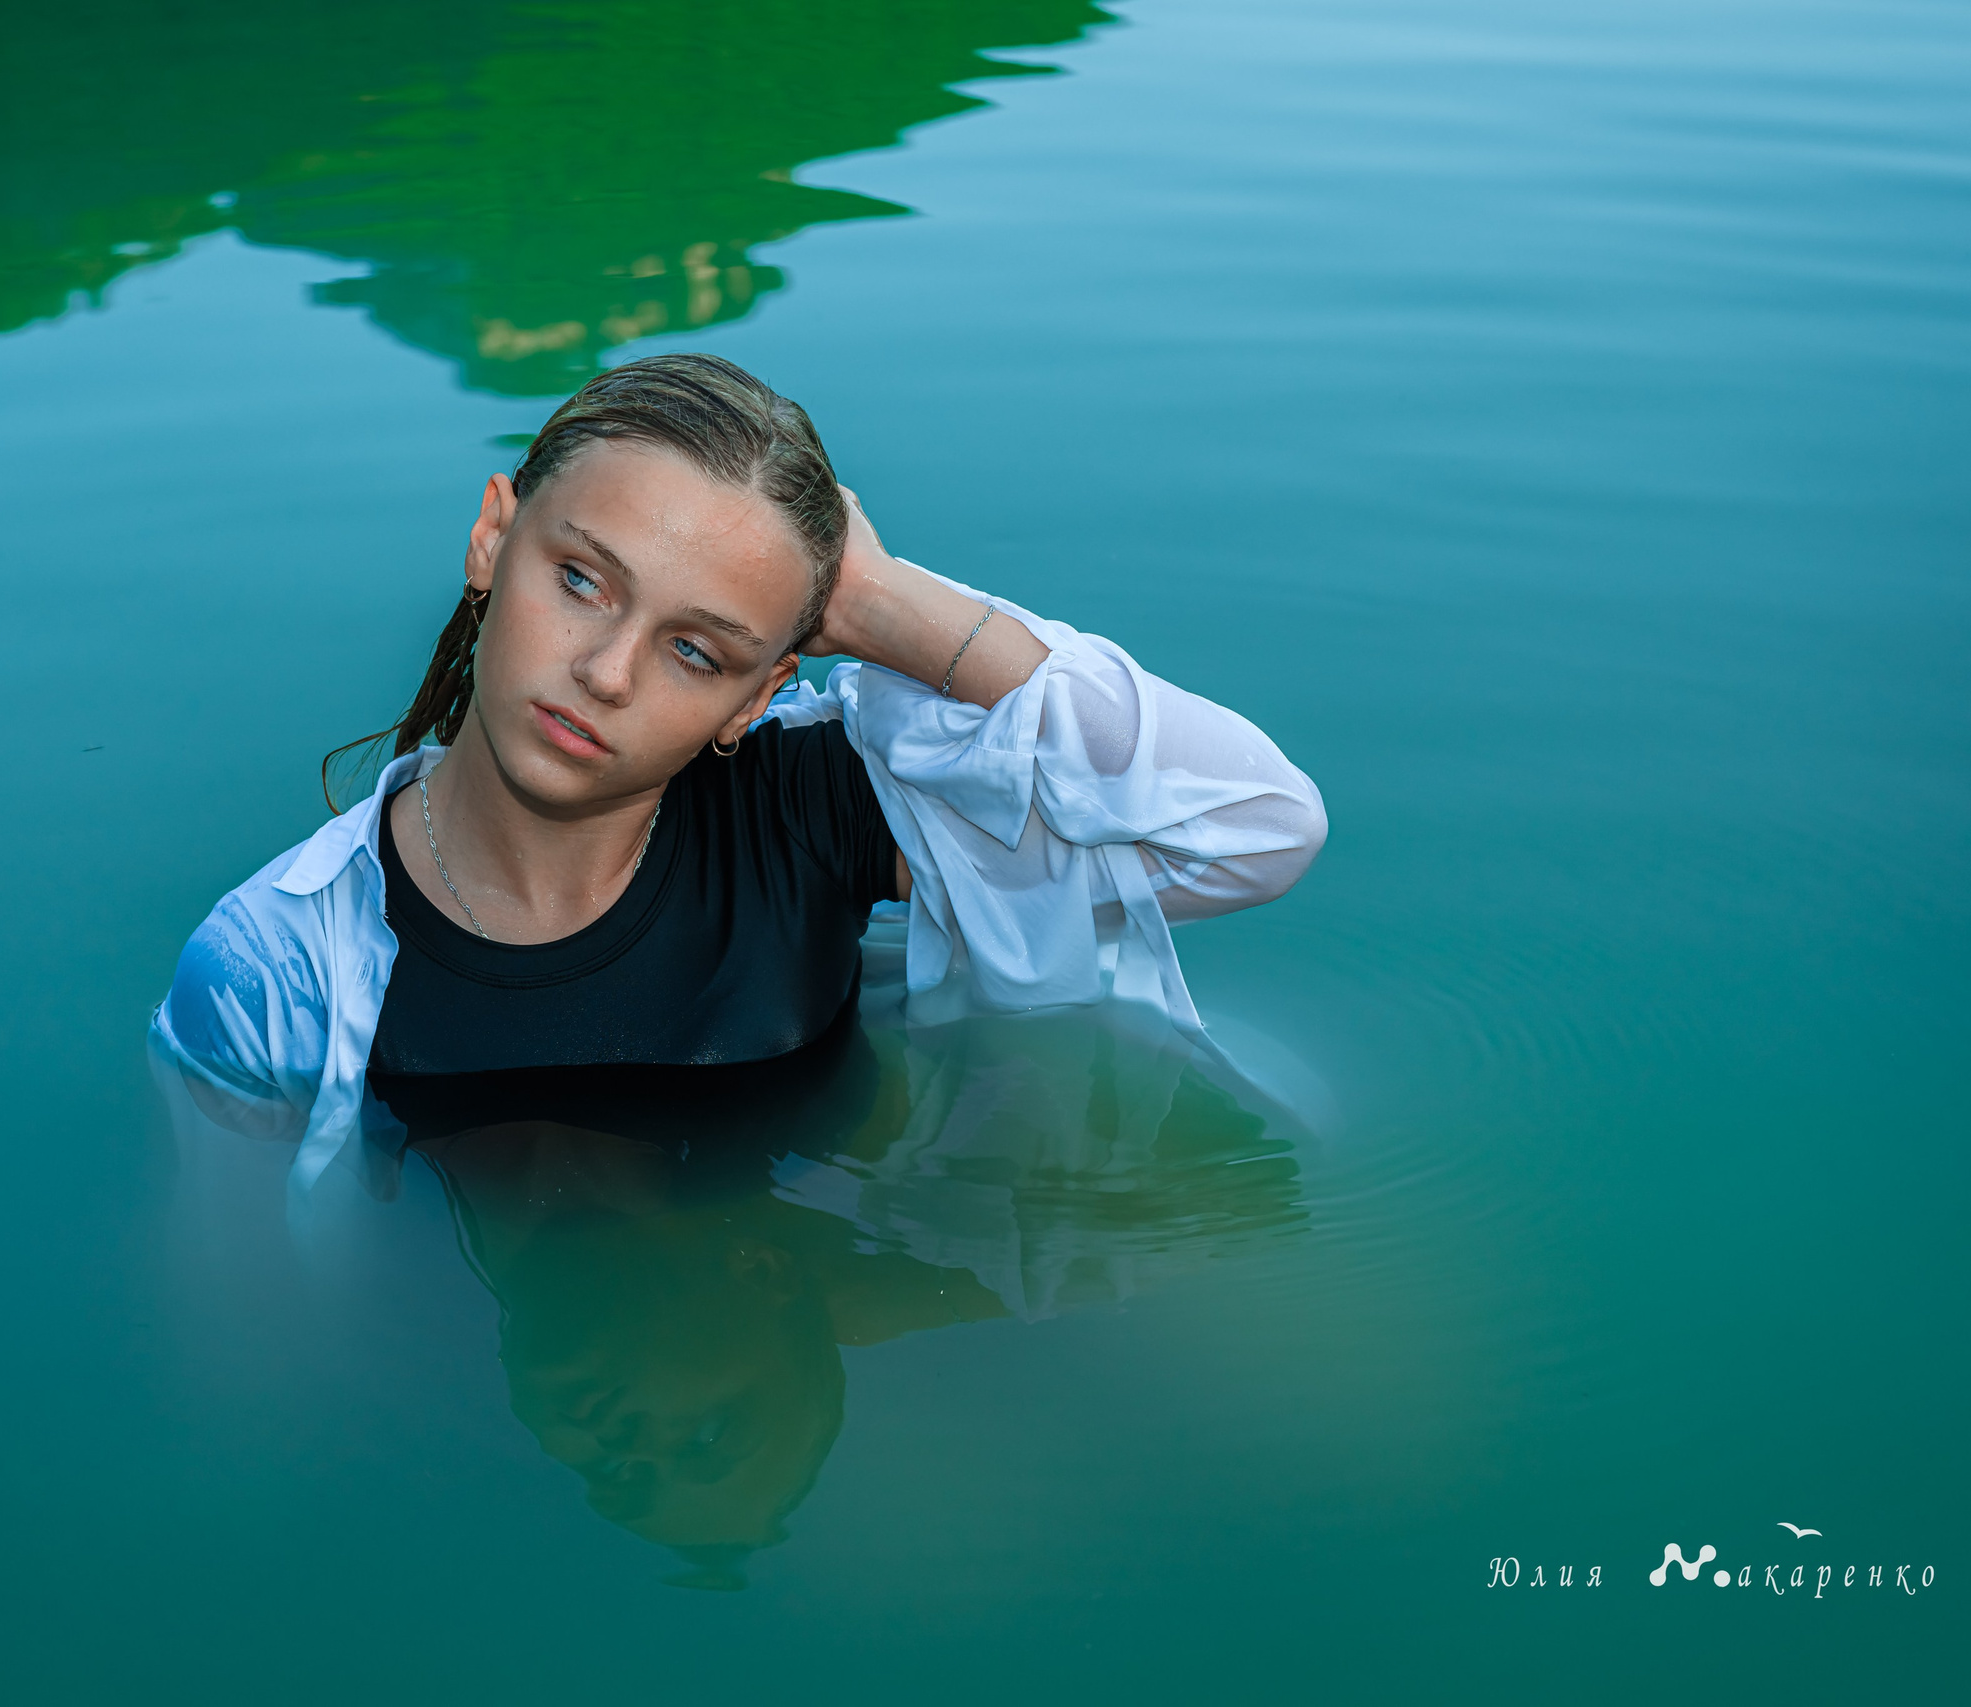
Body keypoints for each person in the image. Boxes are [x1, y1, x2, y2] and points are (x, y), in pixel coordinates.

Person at [153, 353, 1327, 1187]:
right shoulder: (274, 974)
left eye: (695, 648)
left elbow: (1253, 829)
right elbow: (270, 1323)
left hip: (820, 1278)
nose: (607, 673)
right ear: (492, 538)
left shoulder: (811, 800)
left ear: (756, 698)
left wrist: (876, 602)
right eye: (579, 580)